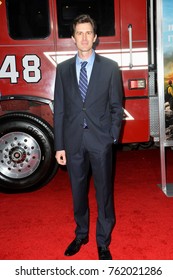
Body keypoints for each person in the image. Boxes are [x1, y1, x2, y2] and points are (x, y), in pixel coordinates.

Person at [54, 14, 123, 260]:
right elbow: (59, 108)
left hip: (100, 141)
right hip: (73, 142)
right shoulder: (62, 70)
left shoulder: (110, 68)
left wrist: (112, 136)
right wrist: (59, 145)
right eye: (79, 33)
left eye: (88, 33)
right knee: (77, 192)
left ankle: (103, 242)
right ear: (73, 38)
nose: (84, 37)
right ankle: (81, 233)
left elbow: (117, 106)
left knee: (104, 193)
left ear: (95, 37)